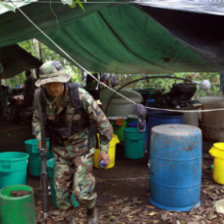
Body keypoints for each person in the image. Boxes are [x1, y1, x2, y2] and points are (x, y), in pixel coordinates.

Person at [32, 61, 113, 224]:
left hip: (82, 147)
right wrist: (40, 136)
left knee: (81, 193)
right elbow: (36, 119)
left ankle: (91, 211)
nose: (53, 89)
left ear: (63, 81)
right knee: (61, 197)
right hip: (60, 149)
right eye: (48, 85)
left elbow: (104, 125)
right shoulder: (40, 97)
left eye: (56, 84)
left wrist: (104, 150)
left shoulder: (81, 96)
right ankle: (69, 220)